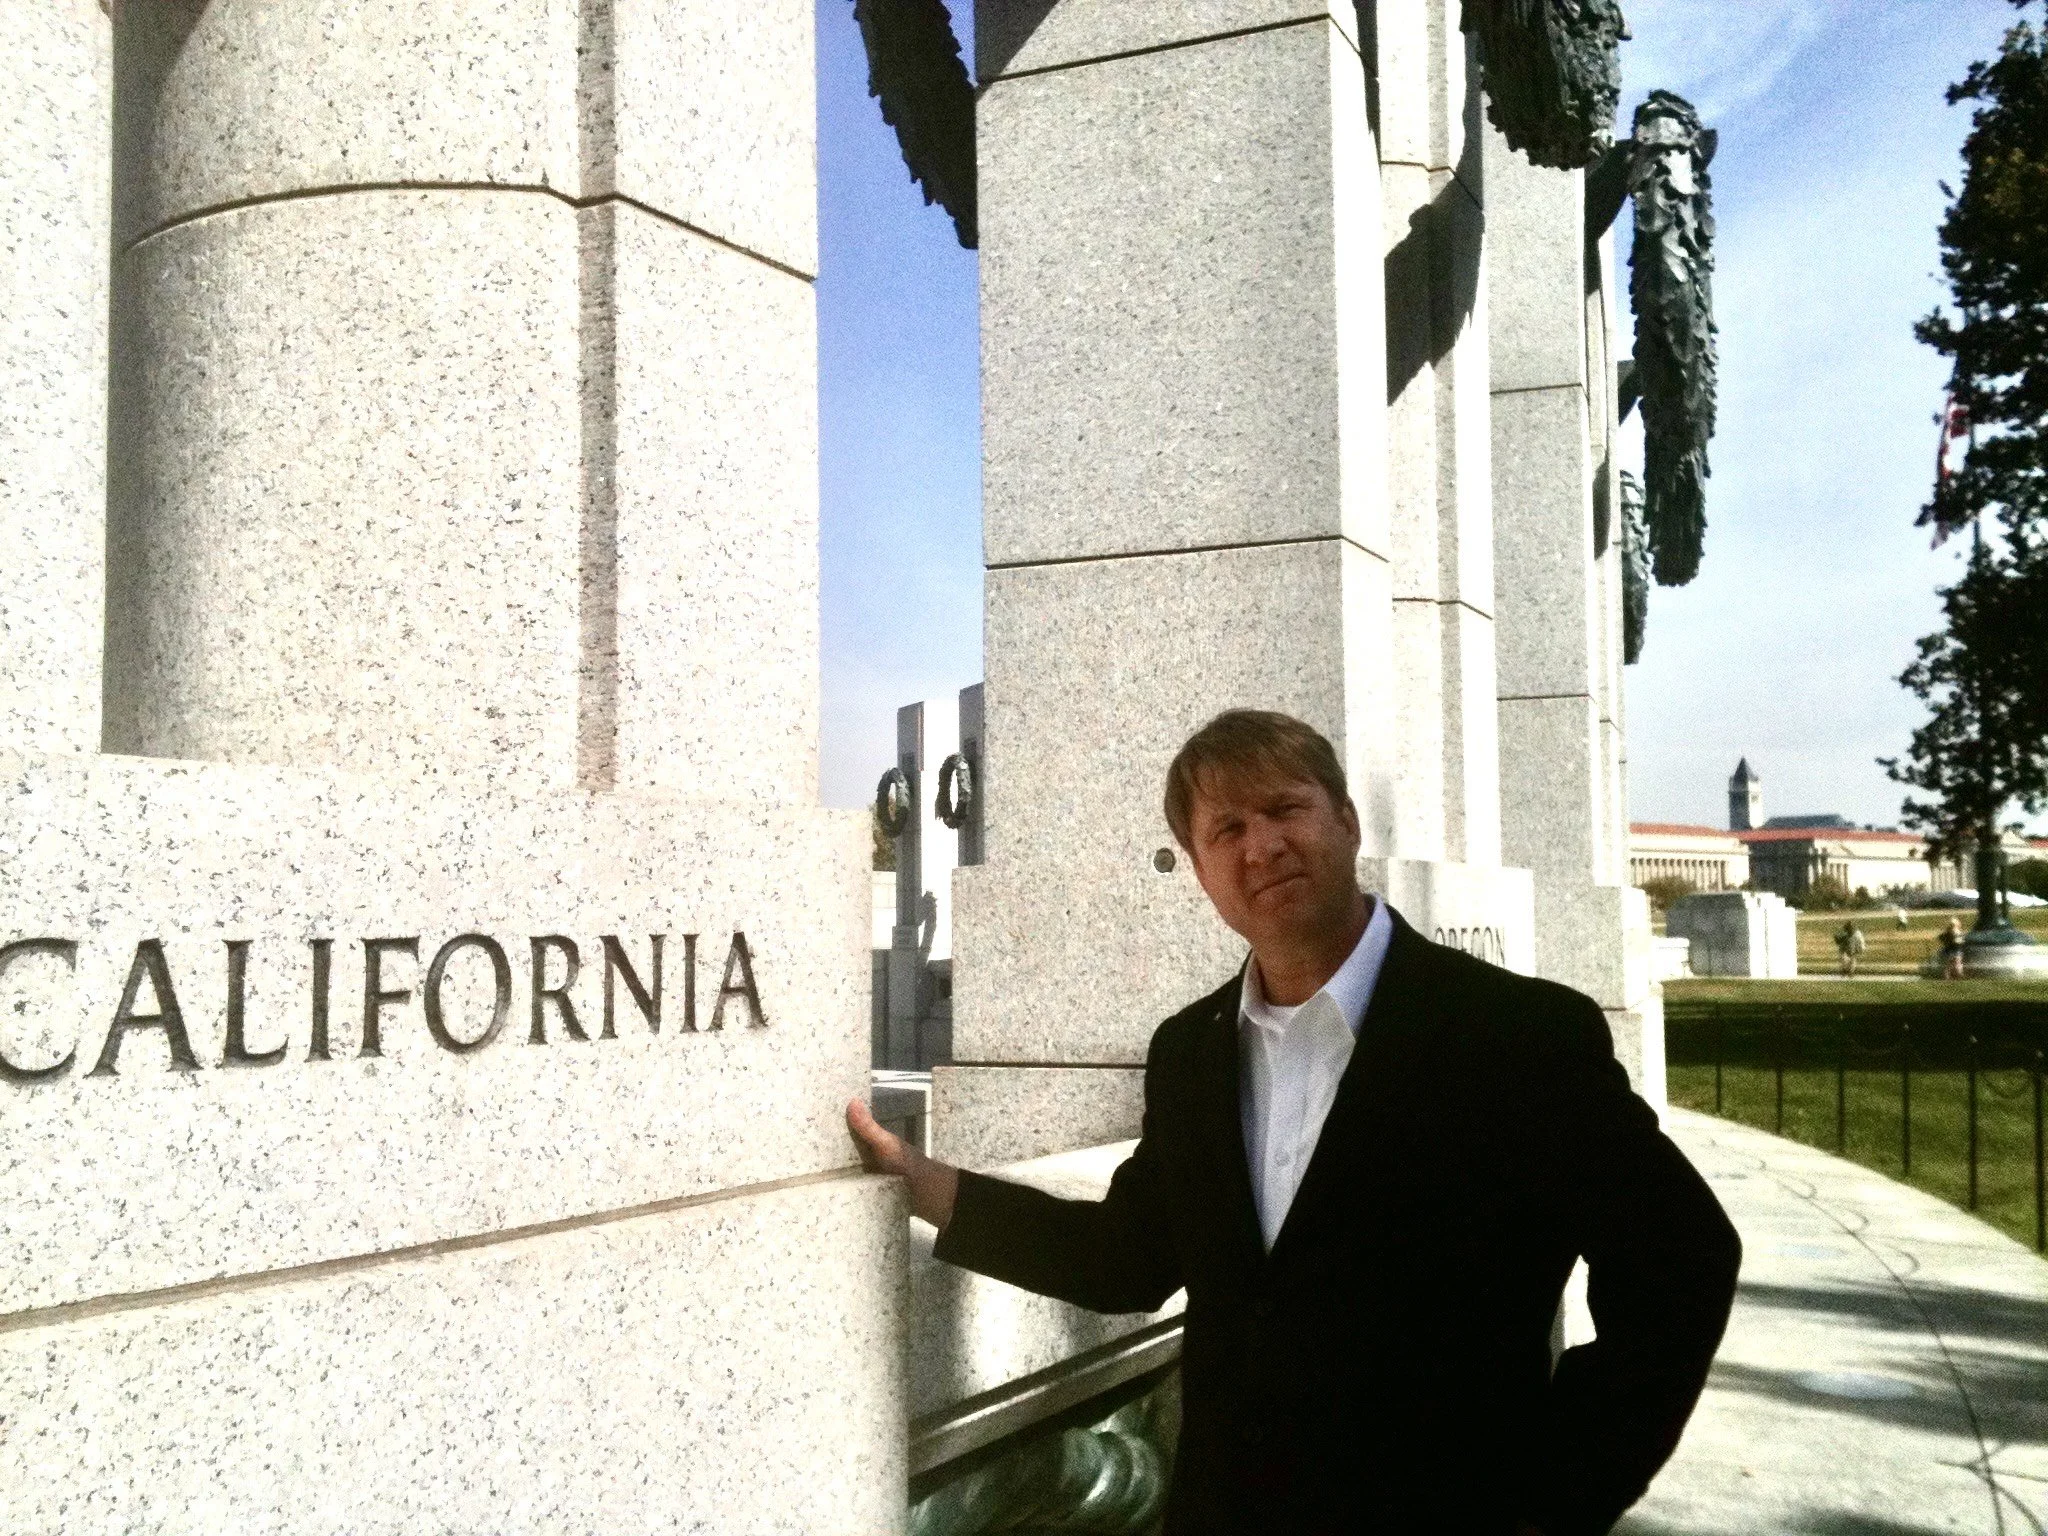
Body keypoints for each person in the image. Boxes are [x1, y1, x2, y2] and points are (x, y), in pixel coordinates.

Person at [848, 710, 1741, 1535]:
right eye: (1225, 830)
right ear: (1197, 868)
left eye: (1284, 809)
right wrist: (928, 1186)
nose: (1261, 846)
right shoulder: (1190, 1053)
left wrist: (1555, 1496)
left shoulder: (1518, 1036)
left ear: (1347, 821)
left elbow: (1683, 1258)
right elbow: (1127, 1257)